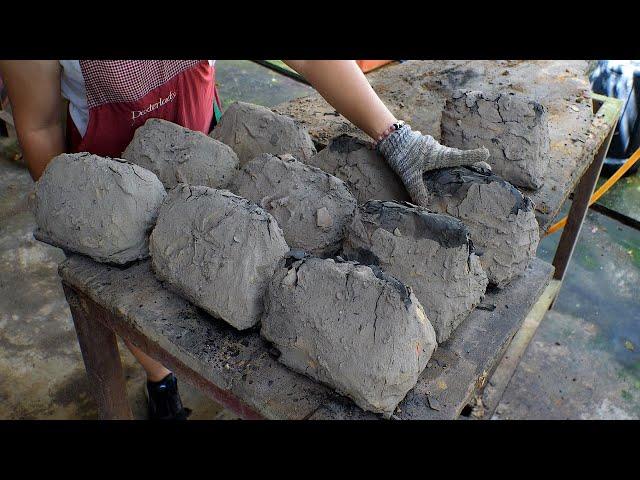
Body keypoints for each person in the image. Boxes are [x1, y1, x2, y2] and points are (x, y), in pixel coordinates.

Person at [0, 60, 489, 420]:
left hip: (198, 140)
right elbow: (40, 124)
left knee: (216, 264)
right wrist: (68, 199)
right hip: (113, 177)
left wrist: (395, 137)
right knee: (136, 296)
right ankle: (160, 378)